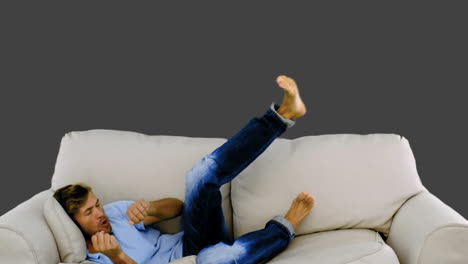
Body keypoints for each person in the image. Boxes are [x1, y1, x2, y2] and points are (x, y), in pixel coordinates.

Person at [54, 75, 315, 264]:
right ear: (72, 221)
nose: (100, 213)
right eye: (89, 212)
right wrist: (118, 256)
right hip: (194, 263)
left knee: (199, 175)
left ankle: (282, 116)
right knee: (217, 258)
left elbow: (177, 208)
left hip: (191, 241)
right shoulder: (90, 257)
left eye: (97, 203)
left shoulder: (114, 214)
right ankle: (283, 229)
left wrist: (152, 208)